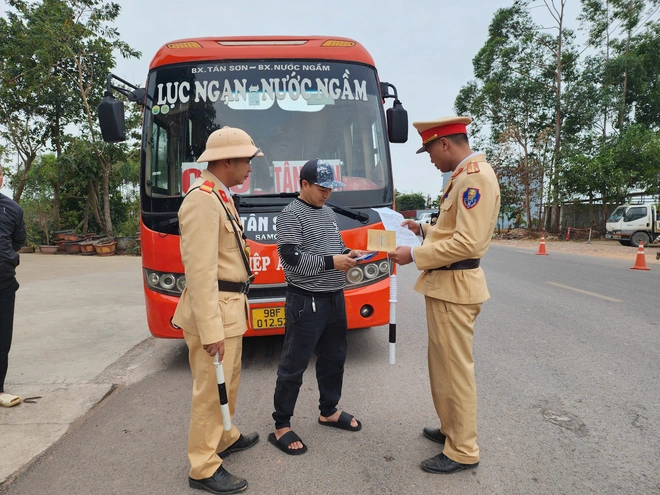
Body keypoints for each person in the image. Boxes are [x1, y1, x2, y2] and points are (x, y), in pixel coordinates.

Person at [388, 116, 500, 474]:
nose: (431, 159)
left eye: (431, 151)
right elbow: (453, 229)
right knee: (442, 367)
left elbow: (469, 242)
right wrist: (421, 228)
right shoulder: (461, 178)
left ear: (445, 144)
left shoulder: (475, 179)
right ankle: (452, 429)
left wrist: (414, 255)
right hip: (446, 287)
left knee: (455, 372)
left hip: (456, 288)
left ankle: (463, 450)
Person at [172, 126, 261, 494]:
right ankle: (203, 467)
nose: (250, 168)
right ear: (227, 162)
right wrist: (210, 331)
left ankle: (224, 436)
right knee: (211, 391)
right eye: (246, 161)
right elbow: (201, 271)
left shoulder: (219, 196)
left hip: (229, 306)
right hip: (214, 311)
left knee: (230, 380)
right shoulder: (202, 200)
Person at [269, 159, 370, 455]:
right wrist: (332, 262)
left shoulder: (327, 212)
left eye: (330, 188)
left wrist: (347, 254)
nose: (327, 194)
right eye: (322, 188)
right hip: (305, 300)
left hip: (334, 296)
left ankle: (328, 410)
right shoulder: (290, 215)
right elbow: (290, 258)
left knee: (334, 358)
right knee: (294, 364)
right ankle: (281, 425)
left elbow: (334, 248)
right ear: (304, 184)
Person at [0, 164, 26, 408]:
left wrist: (7, 258)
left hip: (4, 283)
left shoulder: (12, 208)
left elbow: (18, 241)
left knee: (2, 338)